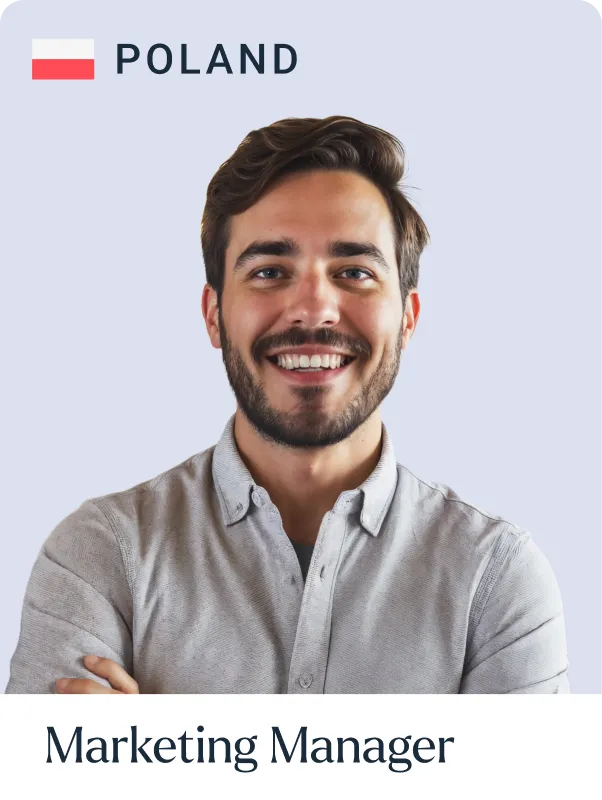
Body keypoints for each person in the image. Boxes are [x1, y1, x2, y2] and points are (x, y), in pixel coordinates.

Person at [5, 116, 569, 694]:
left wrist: (155, 761)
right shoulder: (99, 556)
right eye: (270, 271)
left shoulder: (496, 580)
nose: (314, 309)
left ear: (407, 319)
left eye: (354, 272)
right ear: (213, 315)